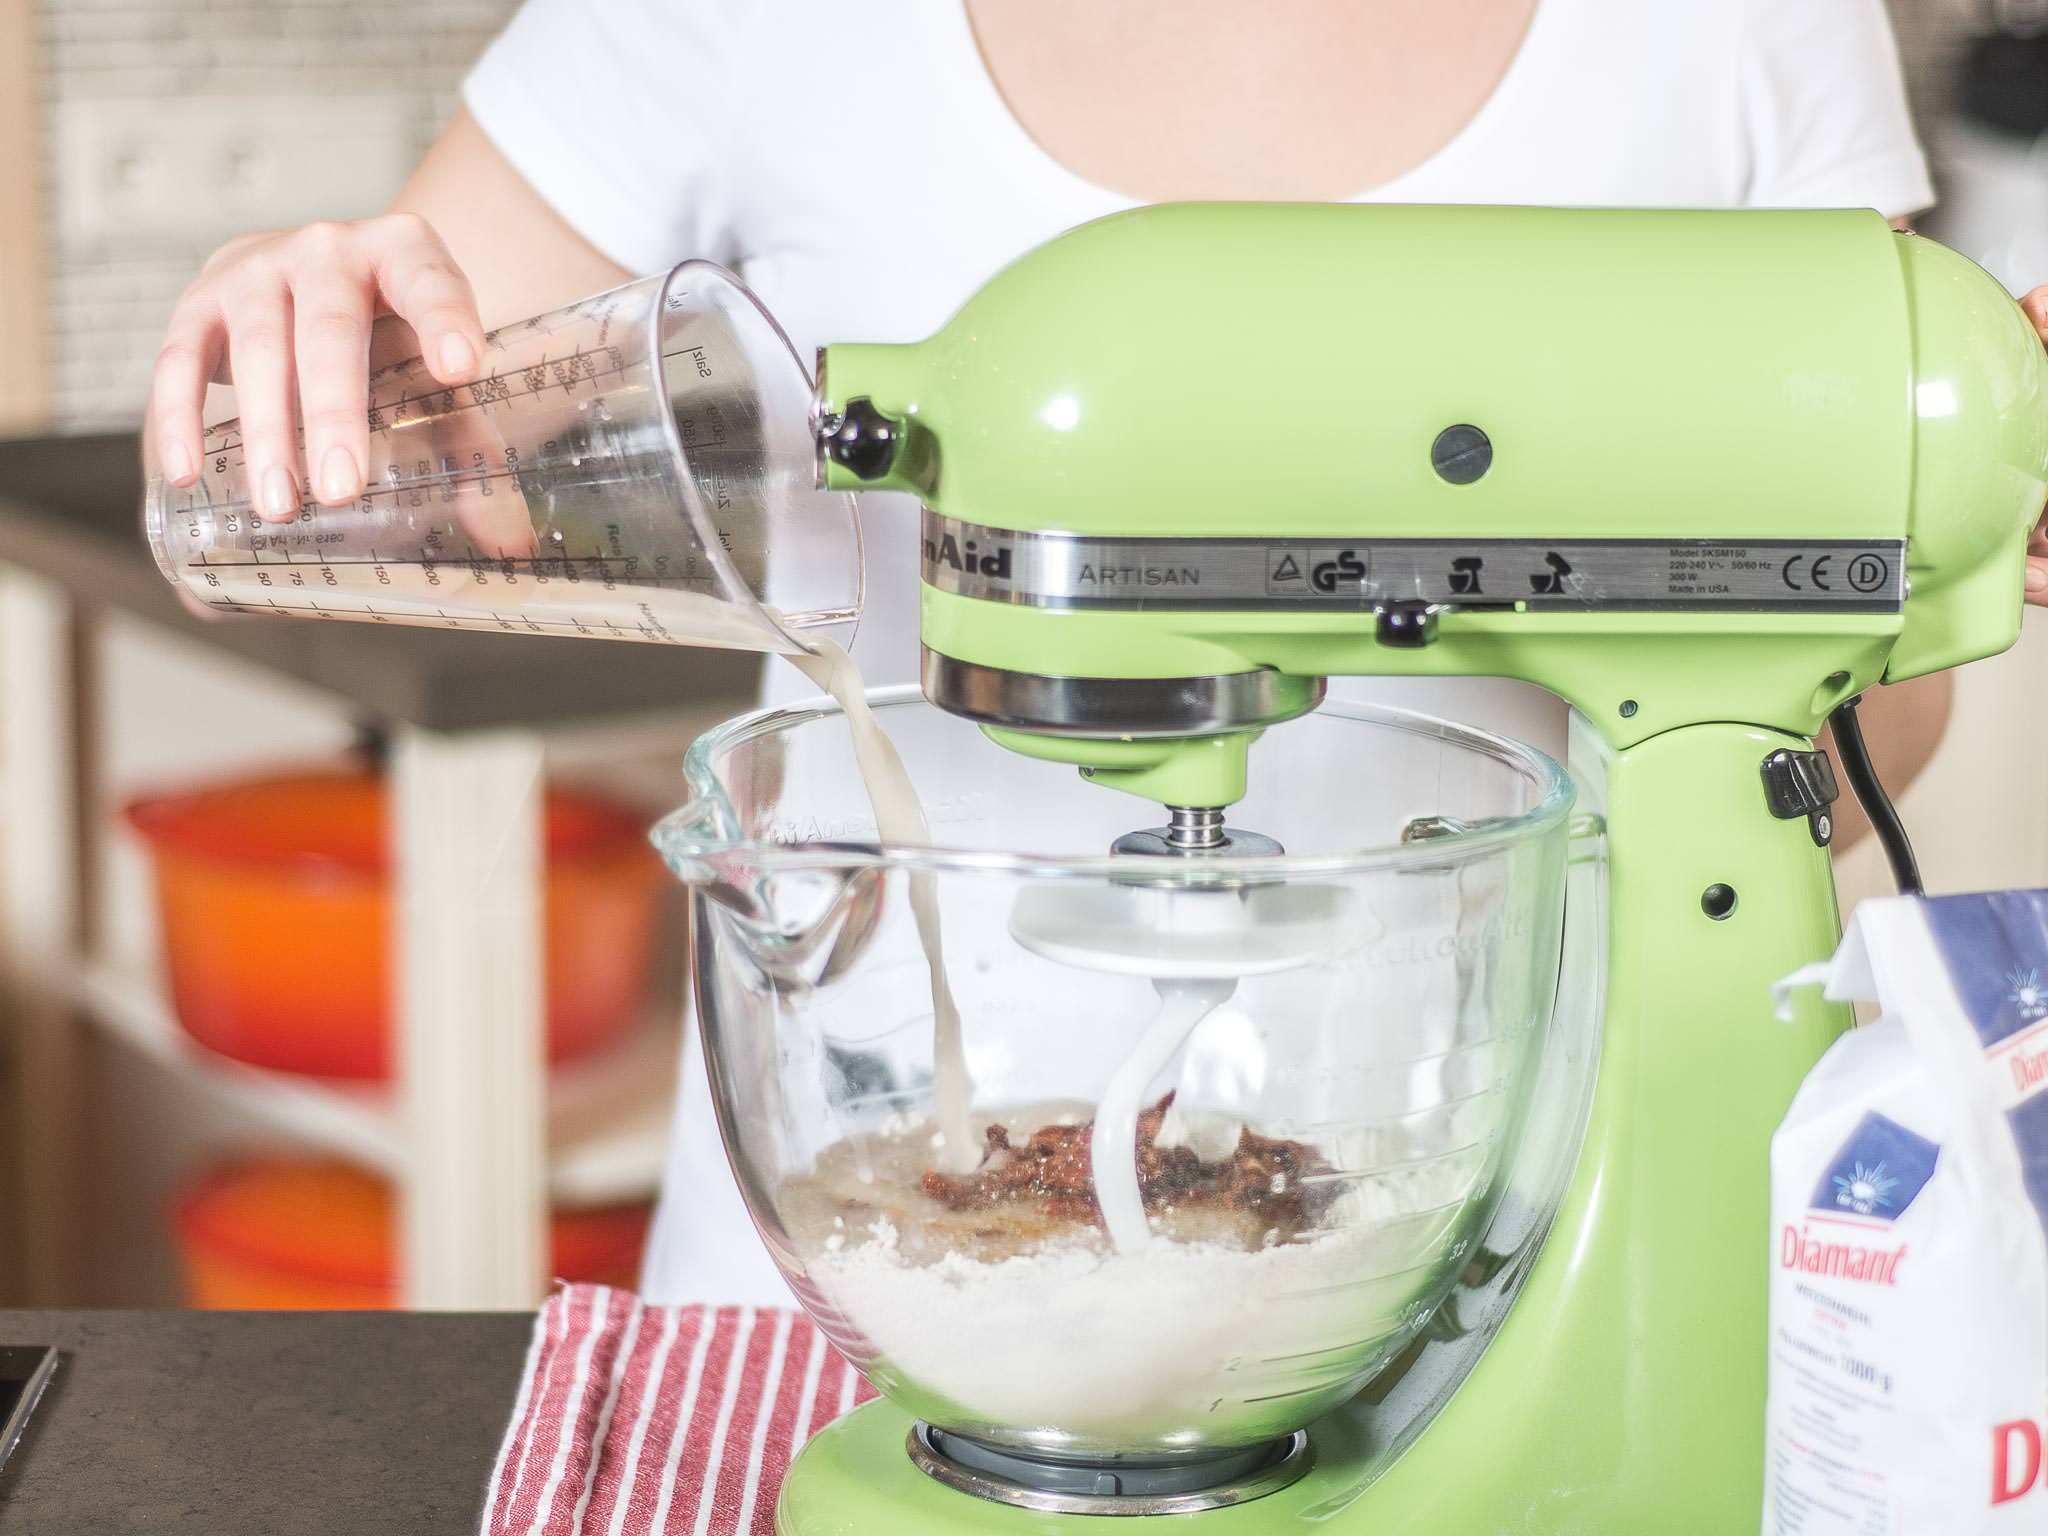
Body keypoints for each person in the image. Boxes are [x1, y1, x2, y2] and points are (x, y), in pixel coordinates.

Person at [146, 0, 2048, 1306]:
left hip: (1515, 1223)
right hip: (882, 1259)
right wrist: (299, 348)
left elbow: (1873, 713)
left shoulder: (1729, 26)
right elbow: (392, 464)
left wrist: (1953, 504)